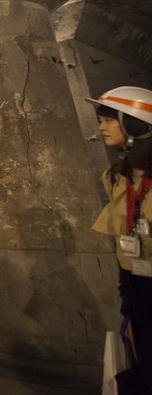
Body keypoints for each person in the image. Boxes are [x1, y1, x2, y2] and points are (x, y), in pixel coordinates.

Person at [90, 86, 152, 394]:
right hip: (135, 283)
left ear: (137, 124)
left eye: (109, 119)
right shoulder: (116, 178)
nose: (101, 127)